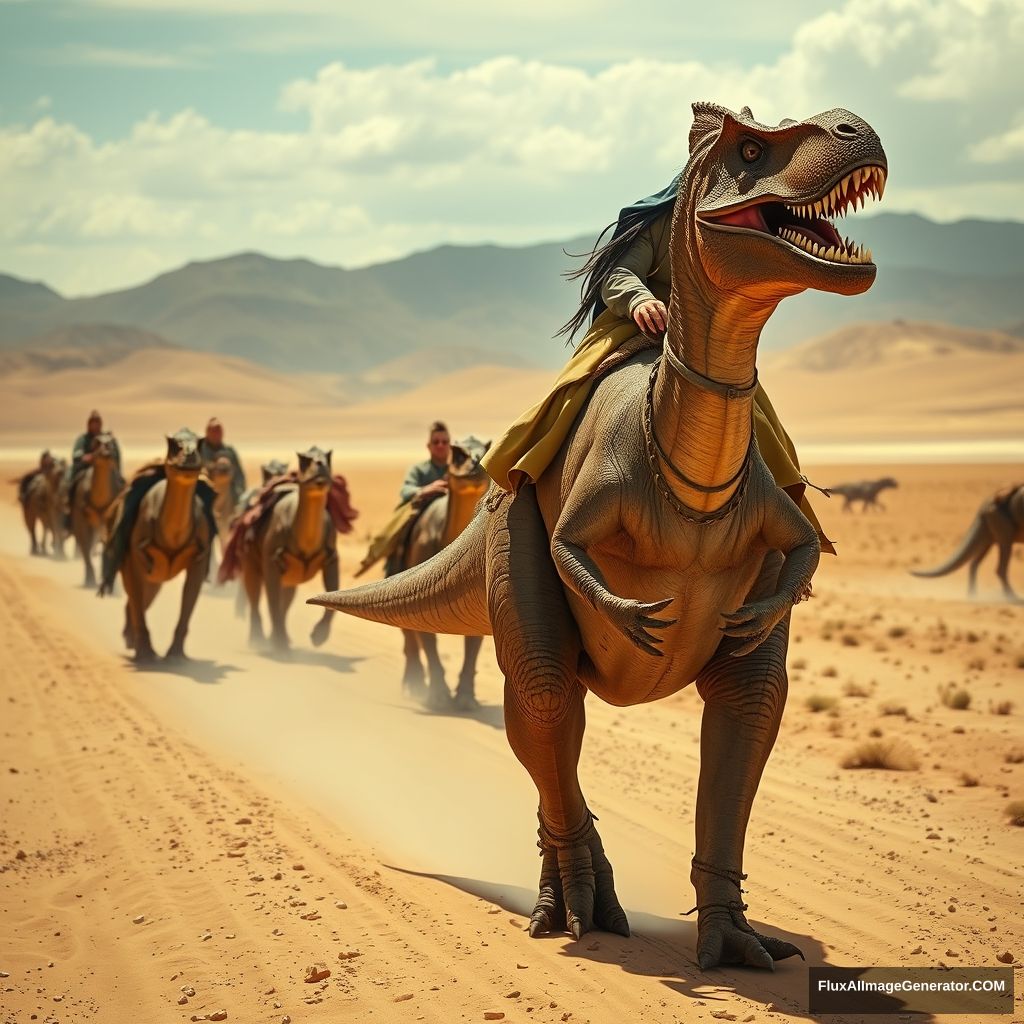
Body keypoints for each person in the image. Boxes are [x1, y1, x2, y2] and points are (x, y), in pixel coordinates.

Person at [480, 176, 833, 553]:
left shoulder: (738, 224)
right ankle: (524, 472)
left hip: (703, 341)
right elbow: (618, 273)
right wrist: (638, 299)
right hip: (634, 328)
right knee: (575, 387)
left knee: (758, 417)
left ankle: (781, 529)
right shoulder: (661, 219)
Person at [355, 421, 453, 577]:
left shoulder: (456, 471)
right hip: (421, 509)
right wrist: (424, 490)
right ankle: (394, 569)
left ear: (450, 446)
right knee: (400, 531)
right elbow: (406, 490)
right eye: (436, 442)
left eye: (444, 442)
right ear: (428, 446)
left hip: (449, 513)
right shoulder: (419, 470)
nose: (440, 445)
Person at [198, 417, 246, 508]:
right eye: (214, 431)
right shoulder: (199, 450)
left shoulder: (230, 451)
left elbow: (239, 475)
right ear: (207, 432)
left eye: (219, 431)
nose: (217, 434)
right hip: (205, 495)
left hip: (230, 498)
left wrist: (240, 495)